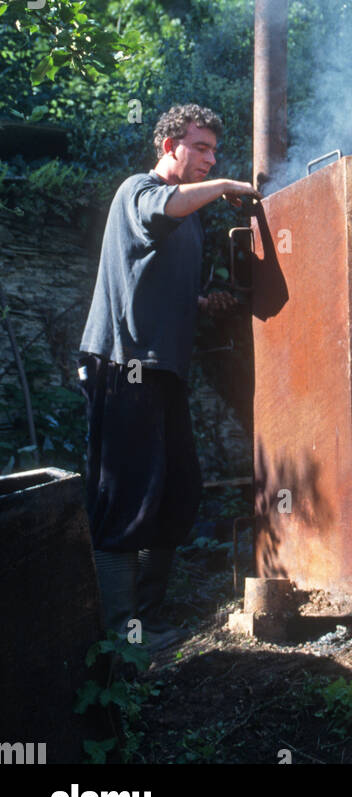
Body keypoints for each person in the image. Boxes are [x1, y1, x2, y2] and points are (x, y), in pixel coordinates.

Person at [78, 103, 257, 653]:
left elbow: (154, 284)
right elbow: (160, 211)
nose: (210, 158)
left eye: (214, 151)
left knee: (178, 492)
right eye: (200, 148)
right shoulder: (140, 191)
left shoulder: (191, 219)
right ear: (168, 147)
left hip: (162, 369)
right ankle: (122, 634)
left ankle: (148, 618)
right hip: (124, 364)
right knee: (126, 497)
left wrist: (204, 304)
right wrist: (226, 184)